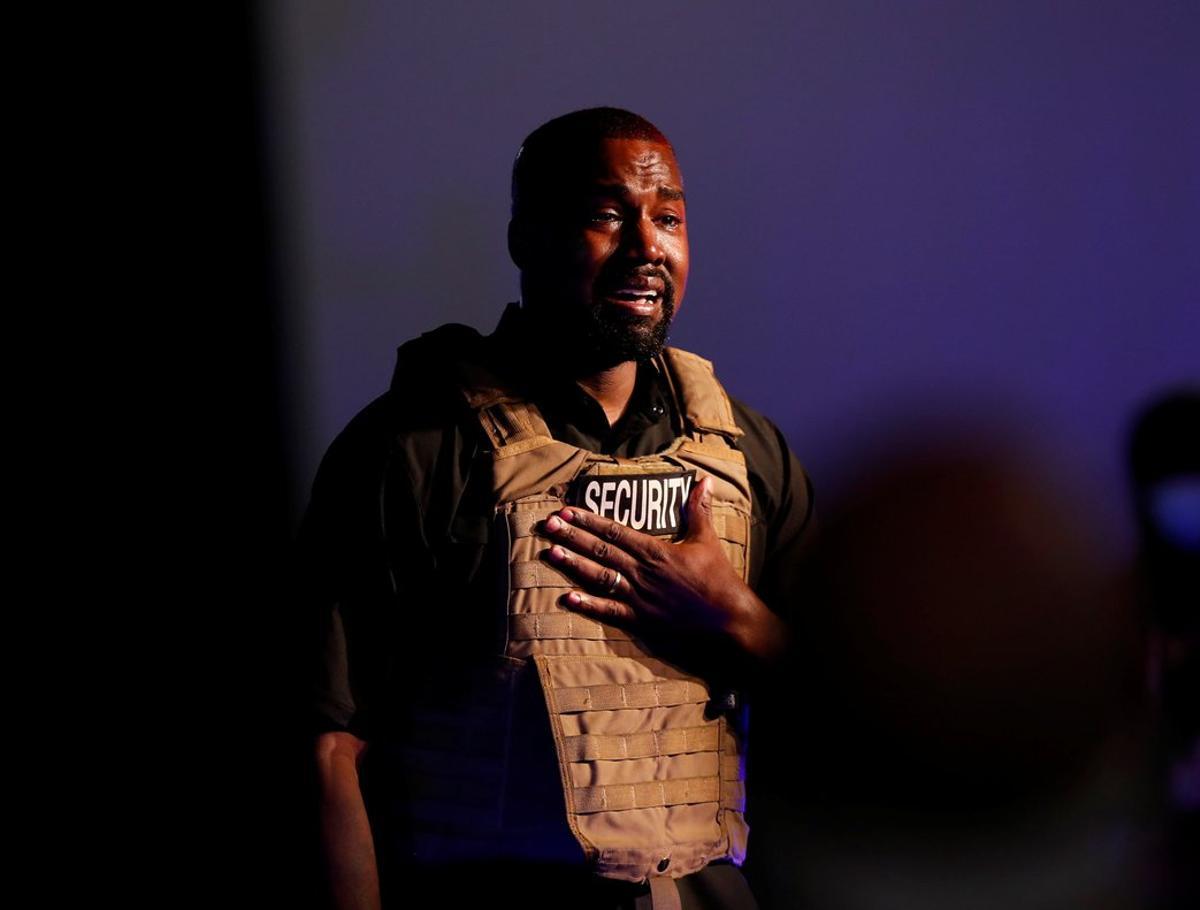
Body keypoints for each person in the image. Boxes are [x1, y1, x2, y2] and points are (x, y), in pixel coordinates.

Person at [299, 107, 816, 910]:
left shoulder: (747, 452)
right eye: (607, 216)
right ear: (524, 241)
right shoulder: (415, 451)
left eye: (669, 218)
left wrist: (738, 618)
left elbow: (859, 719)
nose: (648, 246)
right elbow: (330, 742)